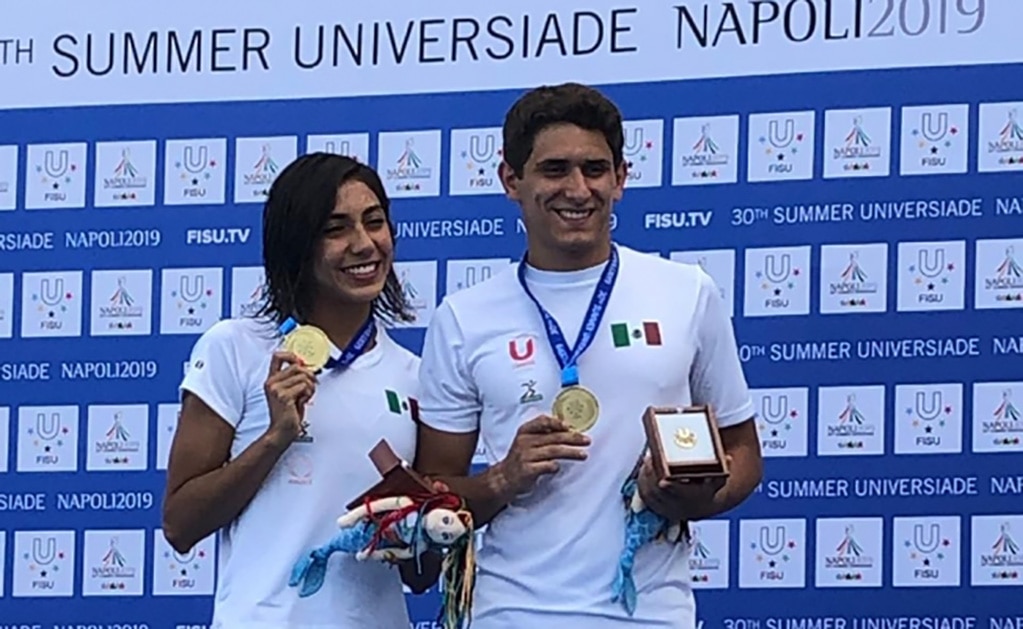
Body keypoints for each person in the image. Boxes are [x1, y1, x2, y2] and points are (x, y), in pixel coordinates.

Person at [412, 83, 763, 628]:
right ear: (511, 180)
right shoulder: (464, 317)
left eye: (595, 169)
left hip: (650, 614)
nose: (577, 189)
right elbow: (431, 493)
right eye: (554, 170)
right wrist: (502, 479)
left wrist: (686, 498)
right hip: (511, 614)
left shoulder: (687, 293)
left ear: (620, 178)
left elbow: (744, 454)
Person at [161, 153, 440, 629]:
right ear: (297, 245)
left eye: (374, 222)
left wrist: (422, 527)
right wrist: (275, 438)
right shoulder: (236, 347)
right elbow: (180, 525)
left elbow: (421, 575)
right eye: (336, 229)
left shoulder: (416, 376)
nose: (364, 244)